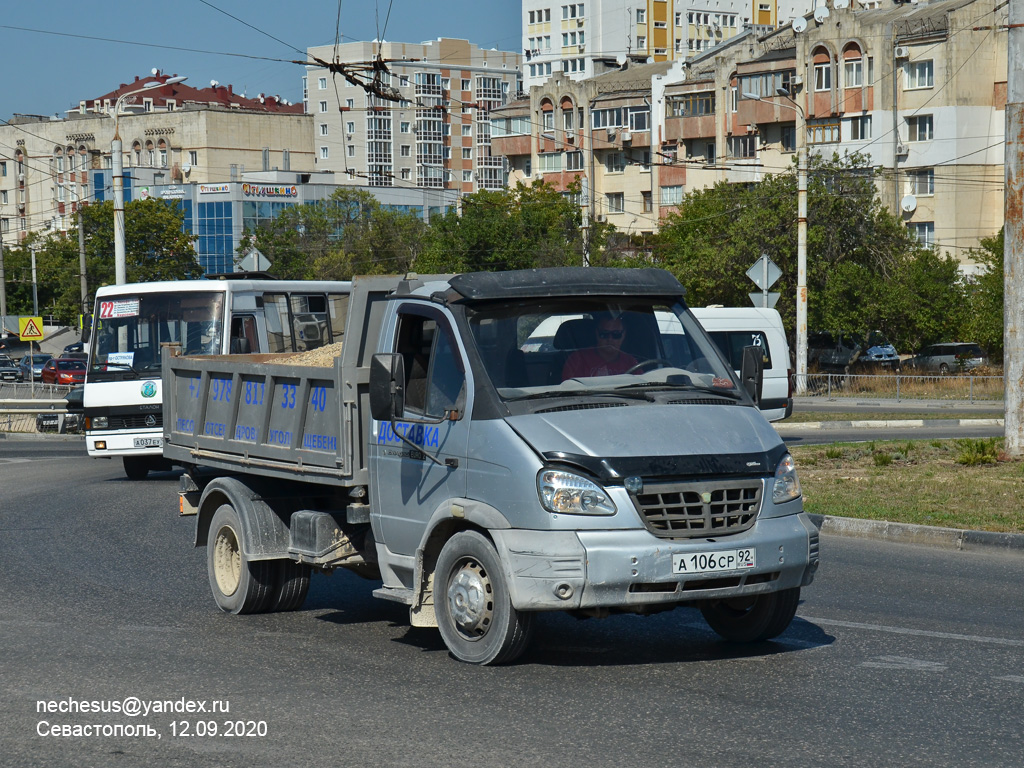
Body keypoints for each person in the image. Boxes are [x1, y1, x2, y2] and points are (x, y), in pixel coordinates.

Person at [561, 315, 638, 380]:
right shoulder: (577, 360)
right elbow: (569, 393)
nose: (610, 339)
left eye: (616, 334)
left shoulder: (631, 362)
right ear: (597, 333)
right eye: (604, 334)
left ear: (624, 335)